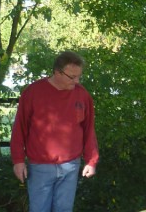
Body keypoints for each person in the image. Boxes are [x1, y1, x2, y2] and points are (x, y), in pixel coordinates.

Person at [10, 51, 99, 212]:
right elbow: (19, 128)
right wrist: (18, 160)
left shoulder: (82, 94)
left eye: (79, 76)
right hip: (40, 165)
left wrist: (91, 160)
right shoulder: (33, 92)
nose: (77, 81)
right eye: (72, 77)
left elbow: (88, 129)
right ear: (57, 72)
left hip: (71, 165)